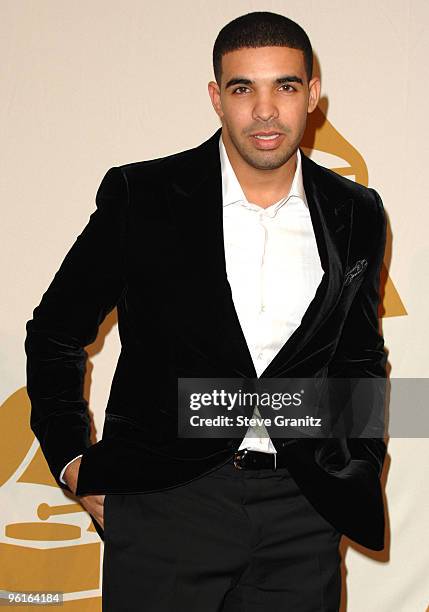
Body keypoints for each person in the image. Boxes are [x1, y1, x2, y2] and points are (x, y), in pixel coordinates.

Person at [25, 11, 388, 611]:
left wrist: (357, 465)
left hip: (300, 510)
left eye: (286, 87)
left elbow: (359, 357)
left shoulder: (357, 212)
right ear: (217, 98)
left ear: (313, 96)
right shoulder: (143, 197)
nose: (265, 111)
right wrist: (71, 462)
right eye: (244, 88)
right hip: (167, 500)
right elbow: (55, 332)